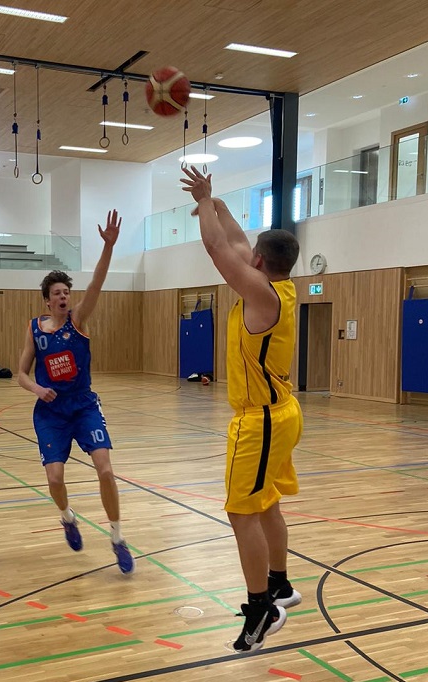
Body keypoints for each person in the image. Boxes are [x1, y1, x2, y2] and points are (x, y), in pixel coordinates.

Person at [181, 166, 303, 654]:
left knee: (240, 511)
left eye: (250, 253)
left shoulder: (261, 294)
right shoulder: (278, 287)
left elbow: (218, 249)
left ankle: (261, 608)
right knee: (266, 501)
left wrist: (205, 202)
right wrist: (217, 205)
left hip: (261, 419)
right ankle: (280, 583)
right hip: (282, 411)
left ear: (258, 260)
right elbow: (232, 242)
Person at [17, 210, 134, 574]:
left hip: (83, 406)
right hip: (50, 412)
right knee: (55, 478)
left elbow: (97, 282)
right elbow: (20, 374)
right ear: (47, 300)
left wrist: (108, 247)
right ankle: (68, 517)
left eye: (67, 292)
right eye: (57, 293)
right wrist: (38, 388)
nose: (64, 296)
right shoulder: (35, 329)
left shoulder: (78, 320)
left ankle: (117, 537)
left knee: (105, 470)